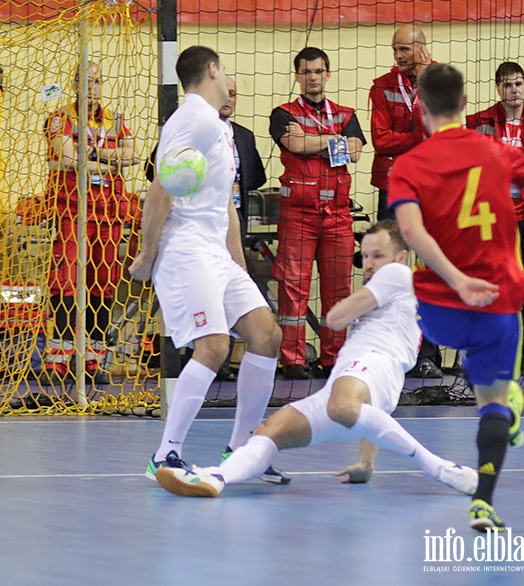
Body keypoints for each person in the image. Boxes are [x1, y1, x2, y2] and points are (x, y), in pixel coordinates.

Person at [155, 220, 478, 499]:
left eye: (377, 255)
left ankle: (439, 467)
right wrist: (366, 464)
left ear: (401, 257)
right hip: (351, 381)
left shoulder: (396, 275)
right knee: (268, 432)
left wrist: (342, 310)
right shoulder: (386, 293)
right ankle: (216, 477)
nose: (368, 264)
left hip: (371, 367)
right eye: (364, 256)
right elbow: (373, 410)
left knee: (342, 406)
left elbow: (336, 318)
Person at [390, 64, 524, 530]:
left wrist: (454, 278)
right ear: (466, 105)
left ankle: (504, 399)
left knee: (394, 314)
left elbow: (409, 231)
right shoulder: (495, 150)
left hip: (440, 309)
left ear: (420, 108)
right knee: (491, 403)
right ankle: (483, 500)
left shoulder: (408, 165)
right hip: (497, 302)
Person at [129, 46, 287, 484]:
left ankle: (242, 451)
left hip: (216, 252)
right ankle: (165, 455)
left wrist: (238, 267)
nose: (230, 82)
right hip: (184, 249)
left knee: (266, 334)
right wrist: (147, 254)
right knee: (213, 344)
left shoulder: (219, 128)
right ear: (212, 69)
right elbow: (160, 189)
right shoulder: (193, 118)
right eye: (227, 72)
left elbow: (227, 206)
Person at [145, 76, 269, 381]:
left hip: (229, 226)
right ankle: (193, 358)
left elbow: (250, 180)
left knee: (263, 328)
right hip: (192, 239)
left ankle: (224, 367)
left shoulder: (242, 136)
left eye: (235, 93)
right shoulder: (192, 127)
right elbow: (158, 176)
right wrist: (147, 252)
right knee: (209, 335)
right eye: (225, 90)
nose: (229, 97)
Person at [269, 47, 366, 380]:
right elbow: (295, 145)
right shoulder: (282, 114)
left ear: (327, 74)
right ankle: (293, 360)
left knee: (338, 290)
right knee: (293, 288)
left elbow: (354, 153)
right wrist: (333, 140)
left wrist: (315, 140)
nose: (312, 77)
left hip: (338, 215)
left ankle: (333, 358)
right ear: (297, 76)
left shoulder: (346, 112)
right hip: (298, 215)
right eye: (306, 72)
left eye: (318, 71)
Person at [41, 62, 140, 385]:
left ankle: (94, 358)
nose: (93, 87)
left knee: (104, 282)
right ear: (75, 85)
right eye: (87, 81)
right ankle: (59, 357)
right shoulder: (60, 117)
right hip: (72, 210)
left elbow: (133, 156)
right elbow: (68, 159)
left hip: (109, 212)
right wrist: (110, 159)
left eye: (98, 81)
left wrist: (92, 155)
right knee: (66, 280)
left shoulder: (116, 120)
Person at [466, 62, 524, 377]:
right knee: (491, 287)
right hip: (494, 220)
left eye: (518, 83)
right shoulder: (477, 123)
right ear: (498, 88)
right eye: (507, 84)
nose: (514, 89)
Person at [369, 25, 443, 380]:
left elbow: (442, 130)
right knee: (389, 267)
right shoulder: (382, 86)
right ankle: (387, 347)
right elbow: (381, 140)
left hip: (432, 187)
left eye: (404, 49)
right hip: (393, 185)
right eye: (394, 49)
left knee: (431, 270)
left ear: (422, 48)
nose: (398, 56)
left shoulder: (442, 79)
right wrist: (418, 139)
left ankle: (428, 353)